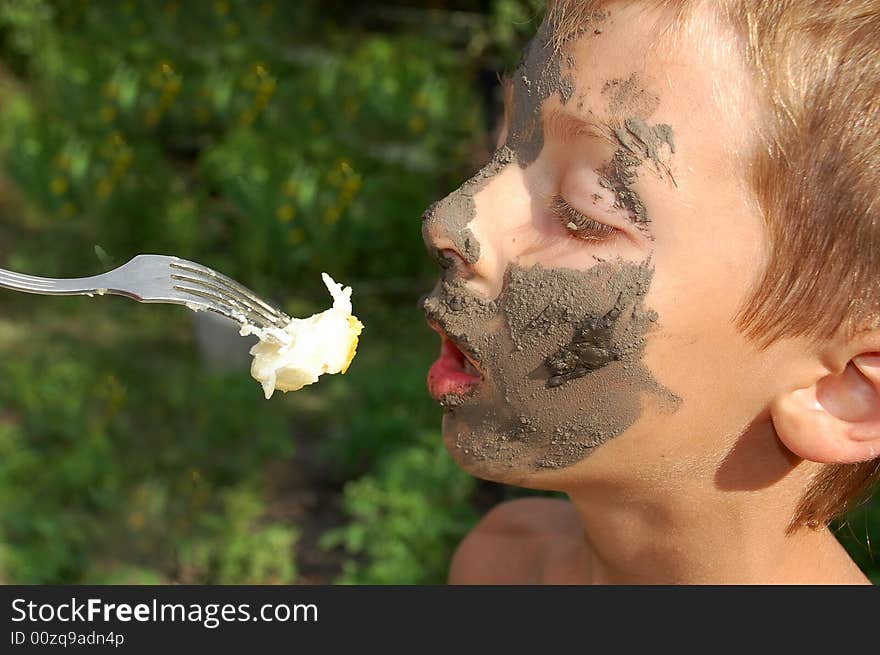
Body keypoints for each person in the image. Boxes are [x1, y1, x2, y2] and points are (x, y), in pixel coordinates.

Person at [420, 0, 880, 584]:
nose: (452, 218)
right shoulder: (501, 561)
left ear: (846, 394)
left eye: (586, 210)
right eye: (509, 144)